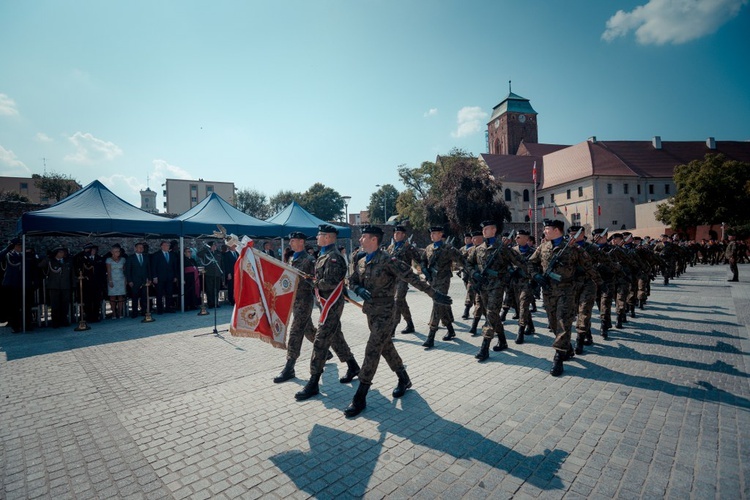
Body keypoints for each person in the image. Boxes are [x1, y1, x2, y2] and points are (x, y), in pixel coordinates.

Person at [343, 226, 452, 417]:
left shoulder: (388, 260)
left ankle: (360, 395)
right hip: (371, 313)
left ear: (374, 240)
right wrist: (358, 289)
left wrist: (434, 294)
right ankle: (404, 378)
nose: (360, 240)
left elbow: (412, 277)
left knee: (373, 349)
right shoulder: (361, 260)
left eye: (364, 237)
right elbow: (352, 281)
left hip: (386, 313)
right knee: (386, 347)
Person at [295, 224, 361, 402]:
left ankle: (313, 382)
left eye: (319, 235)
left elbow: (330, 282)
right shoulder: (323, 255)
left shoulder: (334, 257)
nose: (316, 238)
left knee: (320, 341)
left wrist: (313, 282)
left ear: (328, 237)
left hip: (331, 305)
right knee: (335, 337)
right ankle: (353, 366)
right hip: (325, 304)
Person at [528, 219, 598, 376]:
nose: (544, 232)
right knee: (553, 323)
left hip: (566, 291)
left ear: (556, 230)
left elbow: (588, 264)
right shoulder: (543, 246)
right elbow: (531, 263)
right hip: (548, 291)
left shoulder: (572, 247)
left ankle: (558, 358)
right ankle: (567, 347)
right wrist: (536, 275)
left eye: (547, 229)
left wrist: (579, 249)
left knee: (563, 322)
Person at [466, 220, 524, 361]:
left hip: (497, 287)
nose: (484, 232)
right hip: (483, 288)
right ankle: (503, 340)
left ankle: (484, 348)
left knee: (491, 314)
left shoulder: (503, 247)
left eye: (487, 229)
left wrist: (513, 274)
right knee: (491, 316)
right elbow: (467, 263)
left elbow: (521, 262)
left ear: (494, 230)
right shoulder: (478, 249)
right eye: (483, 229)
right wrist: (474, 274)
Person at [420, 225, 466, 347]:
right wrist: (424, 269)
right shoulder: (429, 248)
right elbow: (422, 260)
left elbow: (462, 260)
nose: (432, 235)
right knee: (442, 305)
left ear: (440, 234)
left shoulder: (448, 248)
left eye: (434, 233)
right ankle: (450, 330)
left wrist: (469, 272)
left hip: (443, 280)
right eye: (431, 234)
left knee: (437, 304)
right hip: (432, 280)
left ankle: (431, 336)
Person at [386, 225, 422, 335]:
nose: (396, 235)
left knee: (397, 301)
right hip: (393, 279)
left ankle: (392, 328)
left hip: (404, 278)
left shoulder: (408, 247)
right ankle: (410, 324)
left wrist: (423, 271)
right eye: (395, 233)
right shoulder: (390, 248)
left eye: (399, 233)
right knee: (401, 302)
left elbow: (419, 259)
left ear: (403, 235)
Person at [44, 245, 74, 328]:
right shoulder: (51, 261)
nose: (62, 253)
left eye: (63, 252)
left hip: (65, 286)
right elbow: (40, 266)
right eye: (60, 252)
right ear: (56, 253)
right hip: (54, 286)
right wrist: (47, 258)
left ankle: (64, 320)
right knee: (55, 305)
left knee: (65, 304)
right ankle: (55, 321)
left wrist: (73, 284)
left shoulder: (67, 261)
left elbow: (72, 274)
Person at [124, 241, 151, 318]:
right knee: (134, 297)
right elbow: (127, 270)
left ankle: (144, 311)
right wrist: (129, 280)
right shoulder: (130, 258)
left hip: (144, 280)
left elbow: (148, 269)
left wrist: (149, 279)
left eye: (142, 247)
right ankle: (134, 312)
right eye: (139, 247)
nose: (141, 249)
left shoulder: (146, 257)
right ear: (135, 248)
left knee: (144, 297)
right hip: (134, 281)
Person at [151, 240, 178, 314]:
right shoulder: (156, 255)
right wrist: (154, 277)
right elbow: (154, 267)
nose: (167, 247)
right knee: (159, 294)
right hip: (160, 278)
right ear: (161, 246)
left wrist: (175, 276)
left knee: (169, 293)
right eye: (165, 245)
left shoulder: (172, 255)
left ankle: (168, 308)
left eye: (168, 245)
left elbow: (174, 266)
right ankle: (160, 309)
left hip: (169, 277)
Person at [197, 240, 223, 308]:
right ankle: (210, 303)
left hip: (217, 274)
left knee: (216, 289)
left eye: (215, 245)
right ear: (210, 246)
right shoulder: (206, 253)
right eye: (213, 245)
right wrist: (207, 249)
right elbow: (198, 254)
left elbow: (221, 263)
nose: (215, 246)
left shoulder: (218, 253)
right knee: (210, 289)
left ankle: (216, 302)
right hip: (209, 274)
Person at [105, 244, 127, 319]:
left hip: (121, 279)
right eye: (116, 251)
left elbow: (124, 270)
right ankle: (113, 313)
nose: (117, 252)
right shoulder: (108, 260)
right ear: (112, 252)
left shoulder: (123, 259)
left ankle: (120, 312)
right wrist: (110, 280)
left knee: (121, 296)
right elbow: (108, 271)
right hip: (113, 279)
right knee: (112, 297)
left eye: (118, 251)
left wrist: (126, 280)